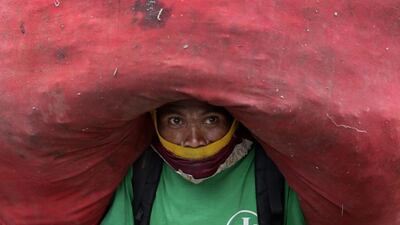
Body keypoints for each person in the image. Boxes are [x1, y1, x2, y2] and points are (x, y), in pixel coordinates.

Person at [101, 100, 306, 225]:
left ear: (234, 120)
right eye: (176, 121)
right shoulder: (142, 171)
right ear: (155, 123)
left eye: (211, 120)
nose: (194, 140)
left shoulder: (271, 171)